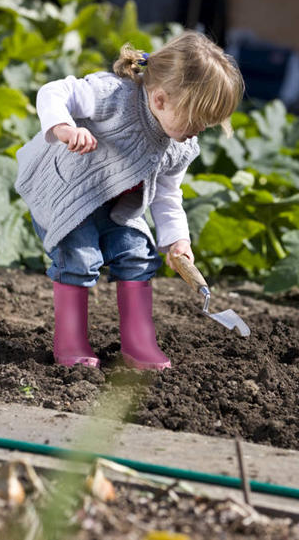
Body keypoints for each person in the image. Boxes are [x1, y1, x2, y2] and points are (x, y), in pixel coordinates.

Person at [15, 31, 244, 370]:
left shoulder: (179, 144)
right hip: (66, 194)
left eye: (206, 126)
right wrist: (65, 128)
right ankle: (70, 342)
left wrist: (177, 240)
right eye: (196, 121)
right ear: (161, 100)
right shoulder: (113, 95)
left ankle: (138, 344)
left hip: (117, 205)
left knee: (138, 255)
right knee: (80, 259)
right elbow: (54, 91)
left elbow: (167, 194)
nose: (199, 131)